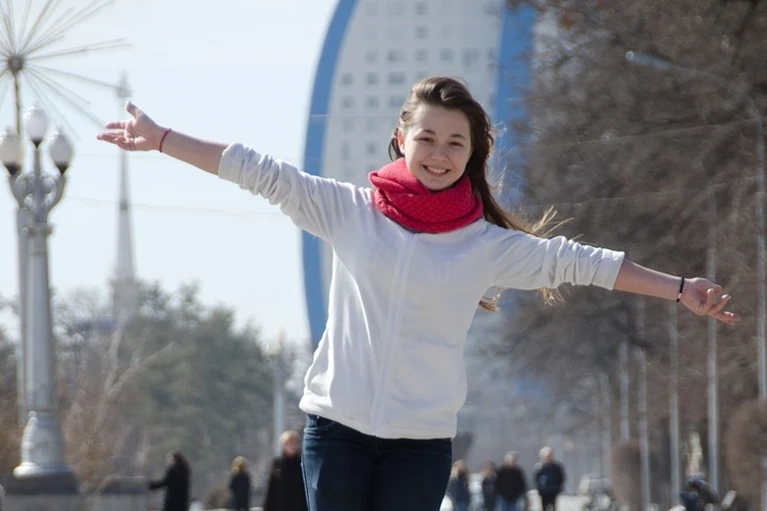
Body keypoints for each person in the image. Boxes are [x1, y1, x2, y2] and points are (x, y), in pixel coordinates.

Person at [98, 75, 739, 511]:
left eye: (455, 142)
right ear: (402, 138)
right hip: (336, 431)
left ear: (472, 154)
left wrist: (680, 288)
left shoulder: (485, 245)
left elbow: (579, 262)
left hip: (421, 444)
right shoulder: (348, 211)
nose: (439, 153)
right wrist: (163, 140)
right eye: (427, 138)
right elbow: (258, 171)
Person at [263, 430, 307, 511]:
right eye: (290, 444)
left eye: (295, 443)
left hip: (299, 505)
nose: (293, 446)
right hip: (281, 505)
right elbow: (271, 488)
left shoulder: (303, 463)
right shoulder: (278, 464)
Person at [534, 447, 565, 511]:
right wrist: (539, 488)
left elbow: (561, 477)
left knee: (553, 507)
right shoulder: (540, 467)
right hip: (544, 491)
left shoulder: (556, 467)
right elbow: (536, 478)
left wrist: (558, 486)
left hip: (553, 490)